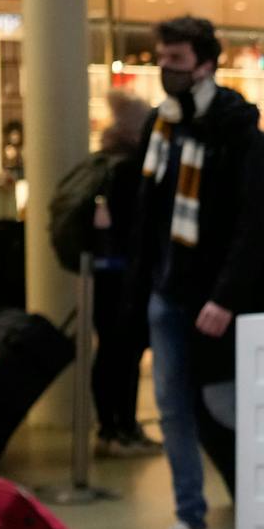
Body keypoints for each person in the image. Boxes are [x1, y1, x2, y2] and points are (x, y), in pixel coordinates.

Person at [131, 16, 264, 529]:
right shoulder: (163, 126)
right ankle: (189, 518)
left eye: (175, 58)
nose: (165, 68)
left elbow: (257, 224)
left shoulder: (237, 133)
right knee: (173, 408)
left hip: (219, 301)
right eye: (161, 57)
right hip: (169, 292)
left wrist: (225, 295)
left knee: (230, 408)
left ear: (204, 63)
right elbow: (148, 211)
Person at [92, 90, 161, 456]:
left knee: (110, 351)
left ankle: (110, 427)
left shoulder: (103, 162)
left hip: (106, 274)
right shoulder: (131, 170)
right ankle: (122, 428)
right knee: (125, 351)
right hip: (125, 276)